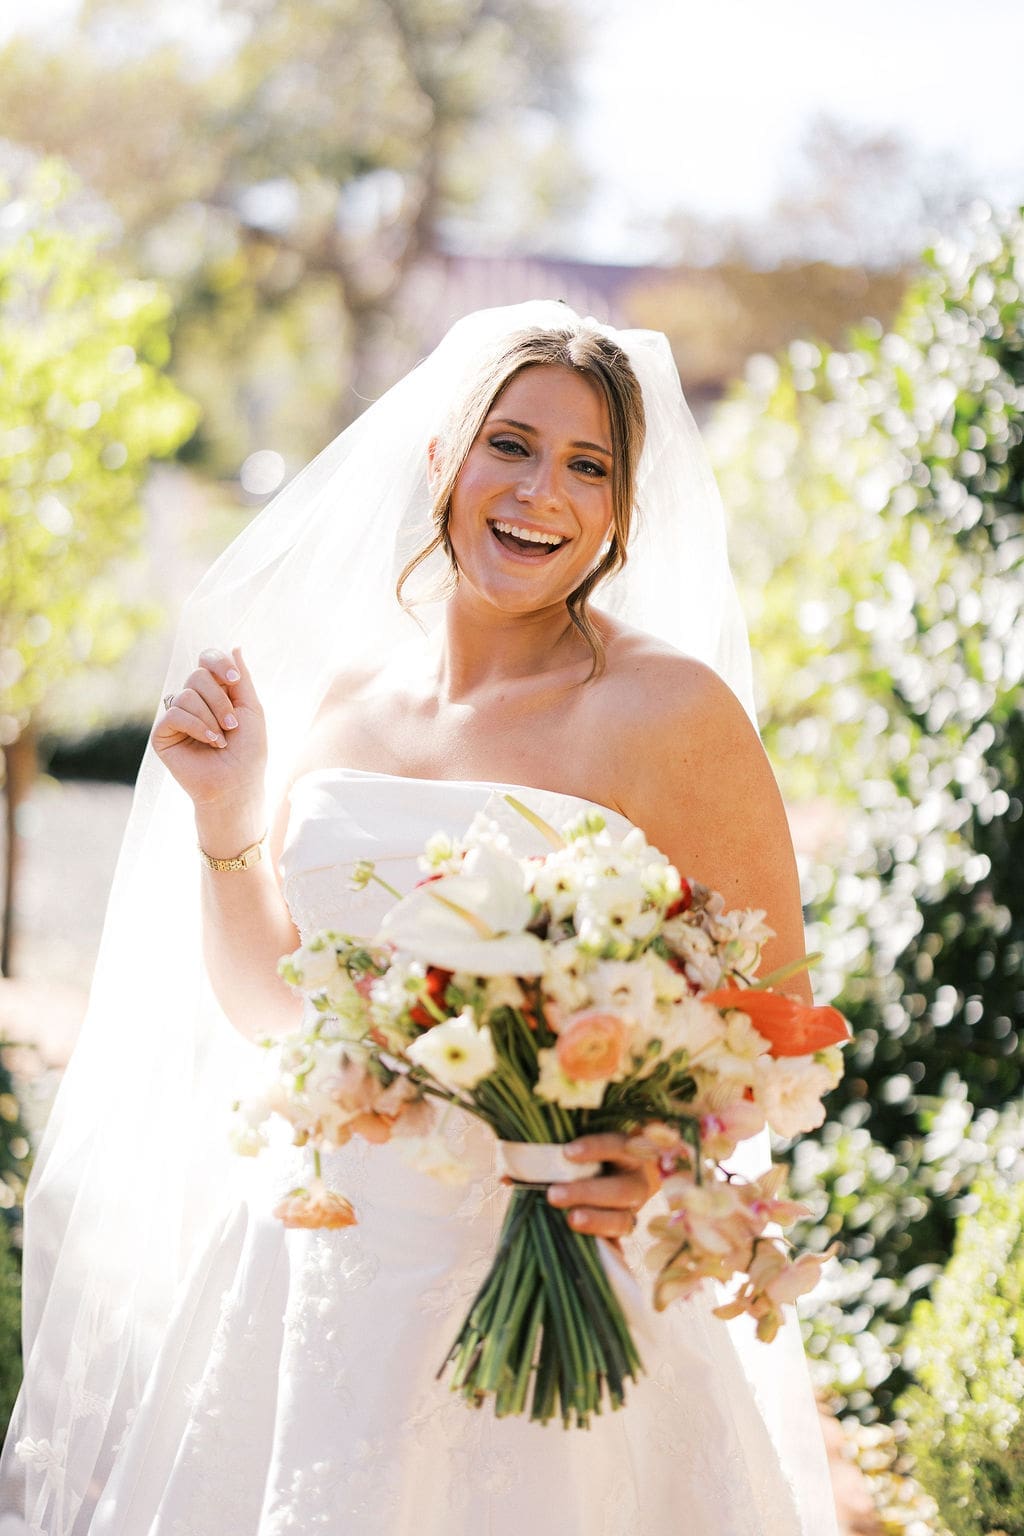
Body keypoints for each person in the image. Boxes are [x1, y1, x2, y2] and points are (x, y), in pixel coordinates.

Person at [1, 303, 838, 1534]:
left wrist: (657, 1165)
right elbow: (279, 1015)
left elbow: (776, 1024)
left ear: (616, 512)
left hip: (568, 1274)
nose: (541, 491)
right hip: (324, 1272)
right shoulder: (341, 705)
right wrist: (227, 819)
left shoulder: (671, 711)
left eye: (587, 466)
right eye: (512, 444)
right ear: (444, 457)